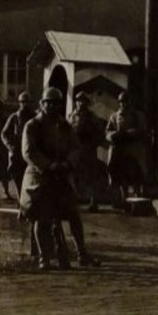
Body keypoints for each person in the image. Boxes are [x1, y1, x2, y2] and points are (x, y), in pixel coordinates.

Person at [20, 85, 100, 270]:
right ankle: (44, 258)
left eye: (56, 103)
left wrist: (68, 163)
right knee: (41, 217)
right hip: (39, 178)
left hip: (61, 177)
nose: (52, 107)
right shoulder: (32, 125)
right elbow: (28, 152)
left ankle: (82, 254)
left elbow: (75, 147)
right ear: (41, 104)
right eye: (48, 103)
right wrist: (49, 165)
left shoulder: (65, 126)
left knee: (74, 215)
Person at [106, 90, 148, 209]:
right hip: (119, 150)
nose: (124, 104)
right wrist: (113, 135)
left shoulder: (137, 115)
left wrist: (129, 133)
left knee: (135, 175)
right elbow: (108, 130)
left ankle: (138, 199)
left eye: (126, 102)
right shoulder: (114, 116)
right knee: (120, 175)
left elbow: (142, 129)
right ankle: (123, 198)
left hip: (133, 150)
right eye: (121, 102)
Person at [68, 92, 108, 212]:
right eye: (78, 101)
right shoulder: (71, 116)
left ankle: (93, 202)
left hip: (88, 150)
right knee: (74, 176)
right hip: (74, 151)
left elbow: (100, 133)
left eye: (83, 101)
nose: (80, 103)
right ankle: (73, 201)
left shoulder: (92, 117)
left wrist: (92, 144)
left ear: (86, 103)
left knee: (91, 176)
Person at [1, 91, 35, 196]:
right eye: (22, 102)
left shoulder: (35, 117)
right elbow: (4, 133)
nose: (24, 104)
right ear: (19, 103)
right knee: (17, 176)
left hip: (30, 152)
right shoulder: (14, 117)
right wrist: (10, 146)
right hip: (17, 152)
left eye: (27, 102)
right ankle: (20, 197)